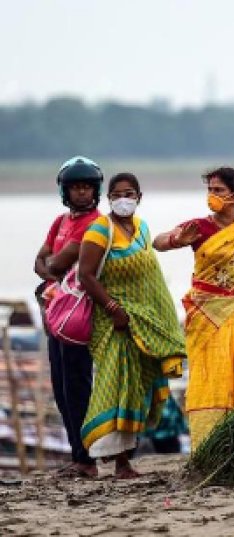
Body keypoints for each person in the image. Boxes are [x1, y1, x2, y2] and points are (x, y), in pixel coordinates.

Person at [153, 167, 234, 453]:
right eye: (210, 190)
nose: (212, 196)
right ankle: (210, 447)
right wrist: (175, 241)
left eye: (218, 190)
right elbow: (158, 242)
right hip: (208, 315)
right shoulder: (200, 227)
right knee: (210, 376)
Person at [77, 172, 185, 477]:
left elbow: (150, 278)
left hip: (142, 323)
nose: (124, 199)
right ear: (108, 198)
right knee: (117, 387)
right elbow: (86, 275)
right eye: (117, 194)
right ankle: (117, 460)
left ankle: (124, 458)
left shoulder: (141, 227)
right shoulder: (100, 229)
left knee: (138, 387)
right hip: (116, 323)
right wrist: (113, 309)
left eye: (130, 193)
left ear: (139, 197)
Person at [33, 156, 103, 478]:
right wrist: (52, 271)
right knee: (61, 388)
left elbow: (56, 263)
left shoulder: (95, 224)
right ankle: (78, 453)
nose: (82, 193)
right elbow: (40, 260)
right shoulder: (61, 222)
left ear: (96, 190)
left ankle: (87, 459)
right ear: (64, 191)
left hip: (78, 315)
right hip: (55, 312)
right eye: (75, 187)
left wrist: (52, 271)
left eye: (87, 187)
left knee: (78, 386)